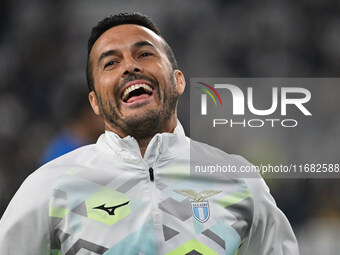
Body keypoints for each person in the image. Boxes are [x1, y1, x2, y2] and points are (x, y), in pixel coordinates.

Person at [0, 12, 299, 254]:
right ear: (95, 102)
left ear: (178, 81)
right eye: (111, 63)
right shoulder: (49, 188)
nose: (130, 66)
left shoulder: (239, 180)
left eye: (144, 54)